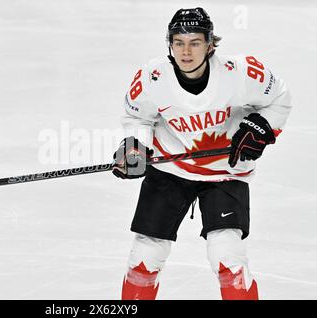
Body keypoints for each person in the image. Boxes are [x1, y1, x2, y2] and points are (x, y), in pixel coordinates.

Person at [112, 7, 292, 300]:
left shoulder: (241, 73)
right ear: (169, 44)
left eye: (195, 42)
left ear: (210, 44)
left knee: (227, 258)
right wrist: (135, 146)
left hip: (225, 172)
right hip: (170, 171)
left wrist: (261, 126)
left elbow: (280, 98)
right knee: (144, 257)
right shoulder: (152, 78)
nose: (186, 51)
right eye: (178, 42)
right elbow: (137, 118)